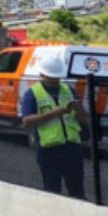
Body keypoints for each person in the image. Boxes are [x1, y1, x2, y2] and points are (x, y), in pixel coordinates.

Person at [21, 55, 90, 198]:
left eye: (57, 78)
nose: (55, 81)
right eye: (51, 77)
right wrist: (53, 114)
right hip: (49, 150)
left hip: (72, 148)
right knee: (53, 193)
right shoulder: (32, 94)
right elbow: (27, 121)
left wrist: (79, 110)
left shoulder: (68, 90)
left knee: (77, 192)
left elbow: (84, 119)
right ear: (42, 75)